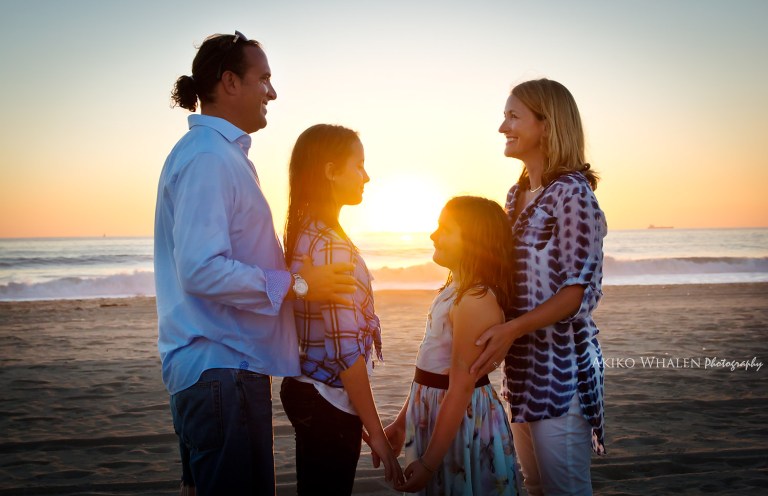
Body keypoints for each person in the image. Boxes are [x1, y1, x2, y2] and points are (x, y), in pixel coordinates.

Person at [154, 32, 356, 496]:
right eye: (263, 79)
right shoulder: (208, 157)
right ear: (230, 82)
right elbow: (200, 269)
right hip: (222, 370)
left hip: (217, 372)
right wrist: (298, 283)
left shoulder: (216, 154)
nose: (273, 92)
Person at [471, 78, 607, 496]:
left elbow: (578, 293)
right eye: (504, 116)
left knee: (565, 490)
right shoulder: (516, 196)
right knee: (532, 486)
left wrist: (510, 330)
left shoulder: (573, 194)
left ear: (546, 125)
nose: (503, 127)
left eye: (514, 116)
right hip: (520, 372)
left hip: (562, 373)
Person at [278, 124, 404, 495]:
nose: (367, 176)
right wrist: (377, 434)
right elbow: (346, 352)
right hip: (326, 397)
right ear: (331, 171)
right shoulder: (331, 245)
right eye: (358, 165)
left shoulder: (304, 232)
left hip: (307, 388)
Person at [383, 196, 520, 495]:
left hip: (461, 422)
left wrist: (429, 463)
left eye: (445, 229)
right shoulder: (451, 291)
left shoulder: (475, 300)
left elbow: (460, 386)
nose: (434, 235)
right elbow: (427, 372)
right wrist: (402, 422)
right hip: (435, 411)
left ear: (473, 242)